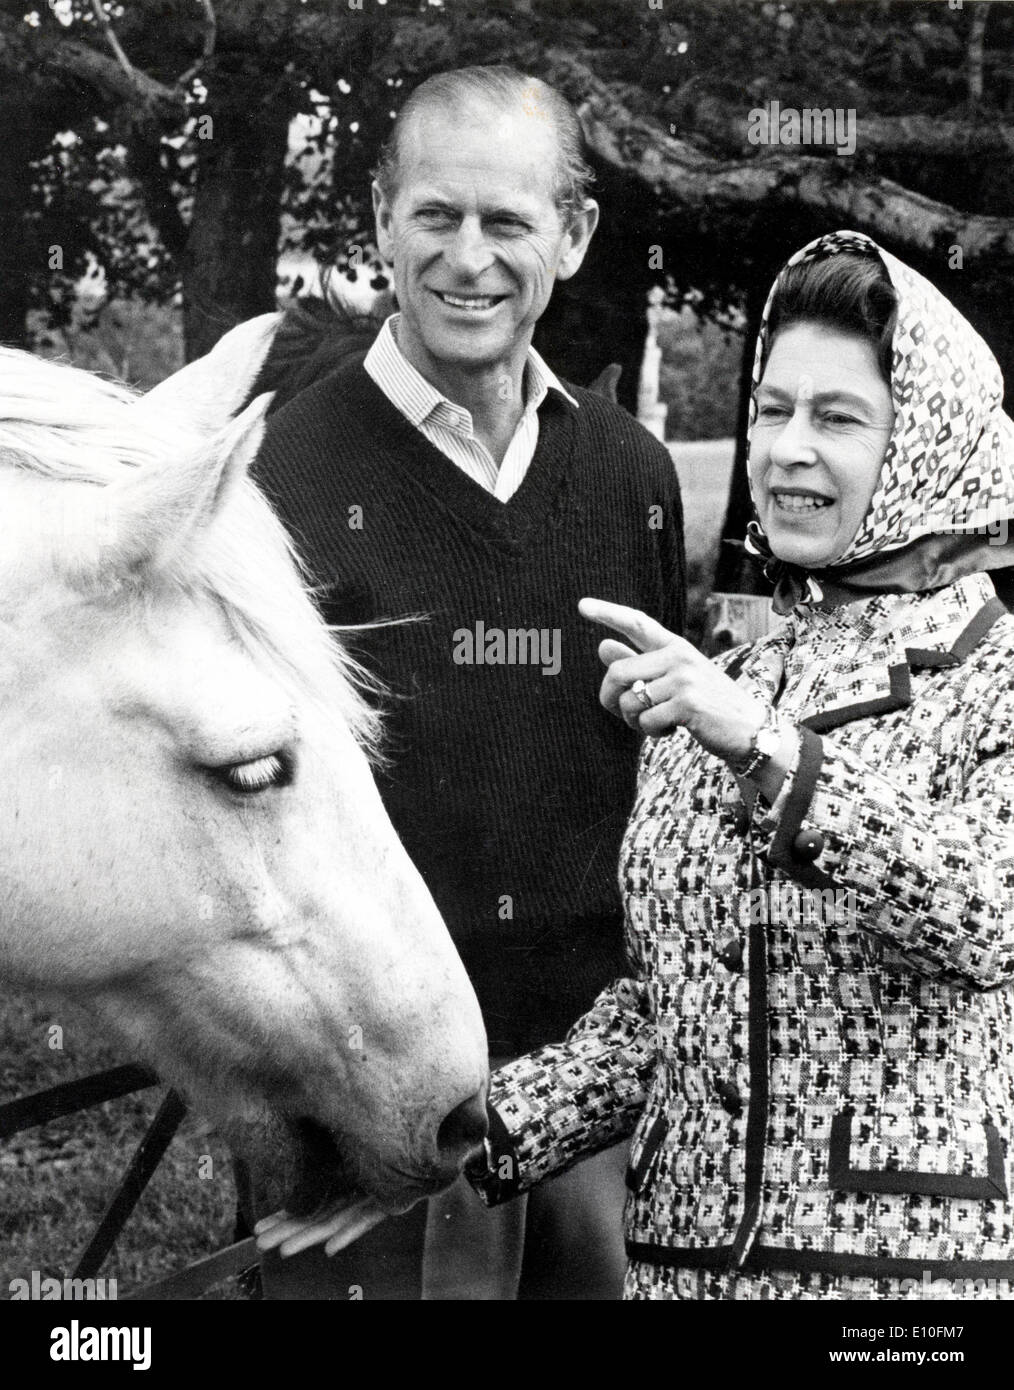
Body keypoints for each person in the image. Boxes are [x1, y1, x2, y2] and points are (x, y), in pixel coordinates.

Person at [261, 229, 1014, 1299]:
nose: (788, 449)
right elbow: (665, 1017)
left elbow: (985, 916)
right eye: (771, 409)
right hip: (681, 1275)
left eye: (838, 418)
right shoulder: (713, 680)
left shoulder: (988, 674)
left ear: (927, 441)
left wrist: (762, 744)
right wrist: (458, 1145)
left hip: (898, 1290)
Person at [249, 65, 686, 1299]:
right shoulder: (283, 477)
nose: (468, 257)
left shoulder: (631, 475)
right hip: (369, 1091)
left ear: (576, 235)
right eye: (435, 215)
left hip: (599, 1083)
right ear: (383, 218)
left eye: (507, 221)